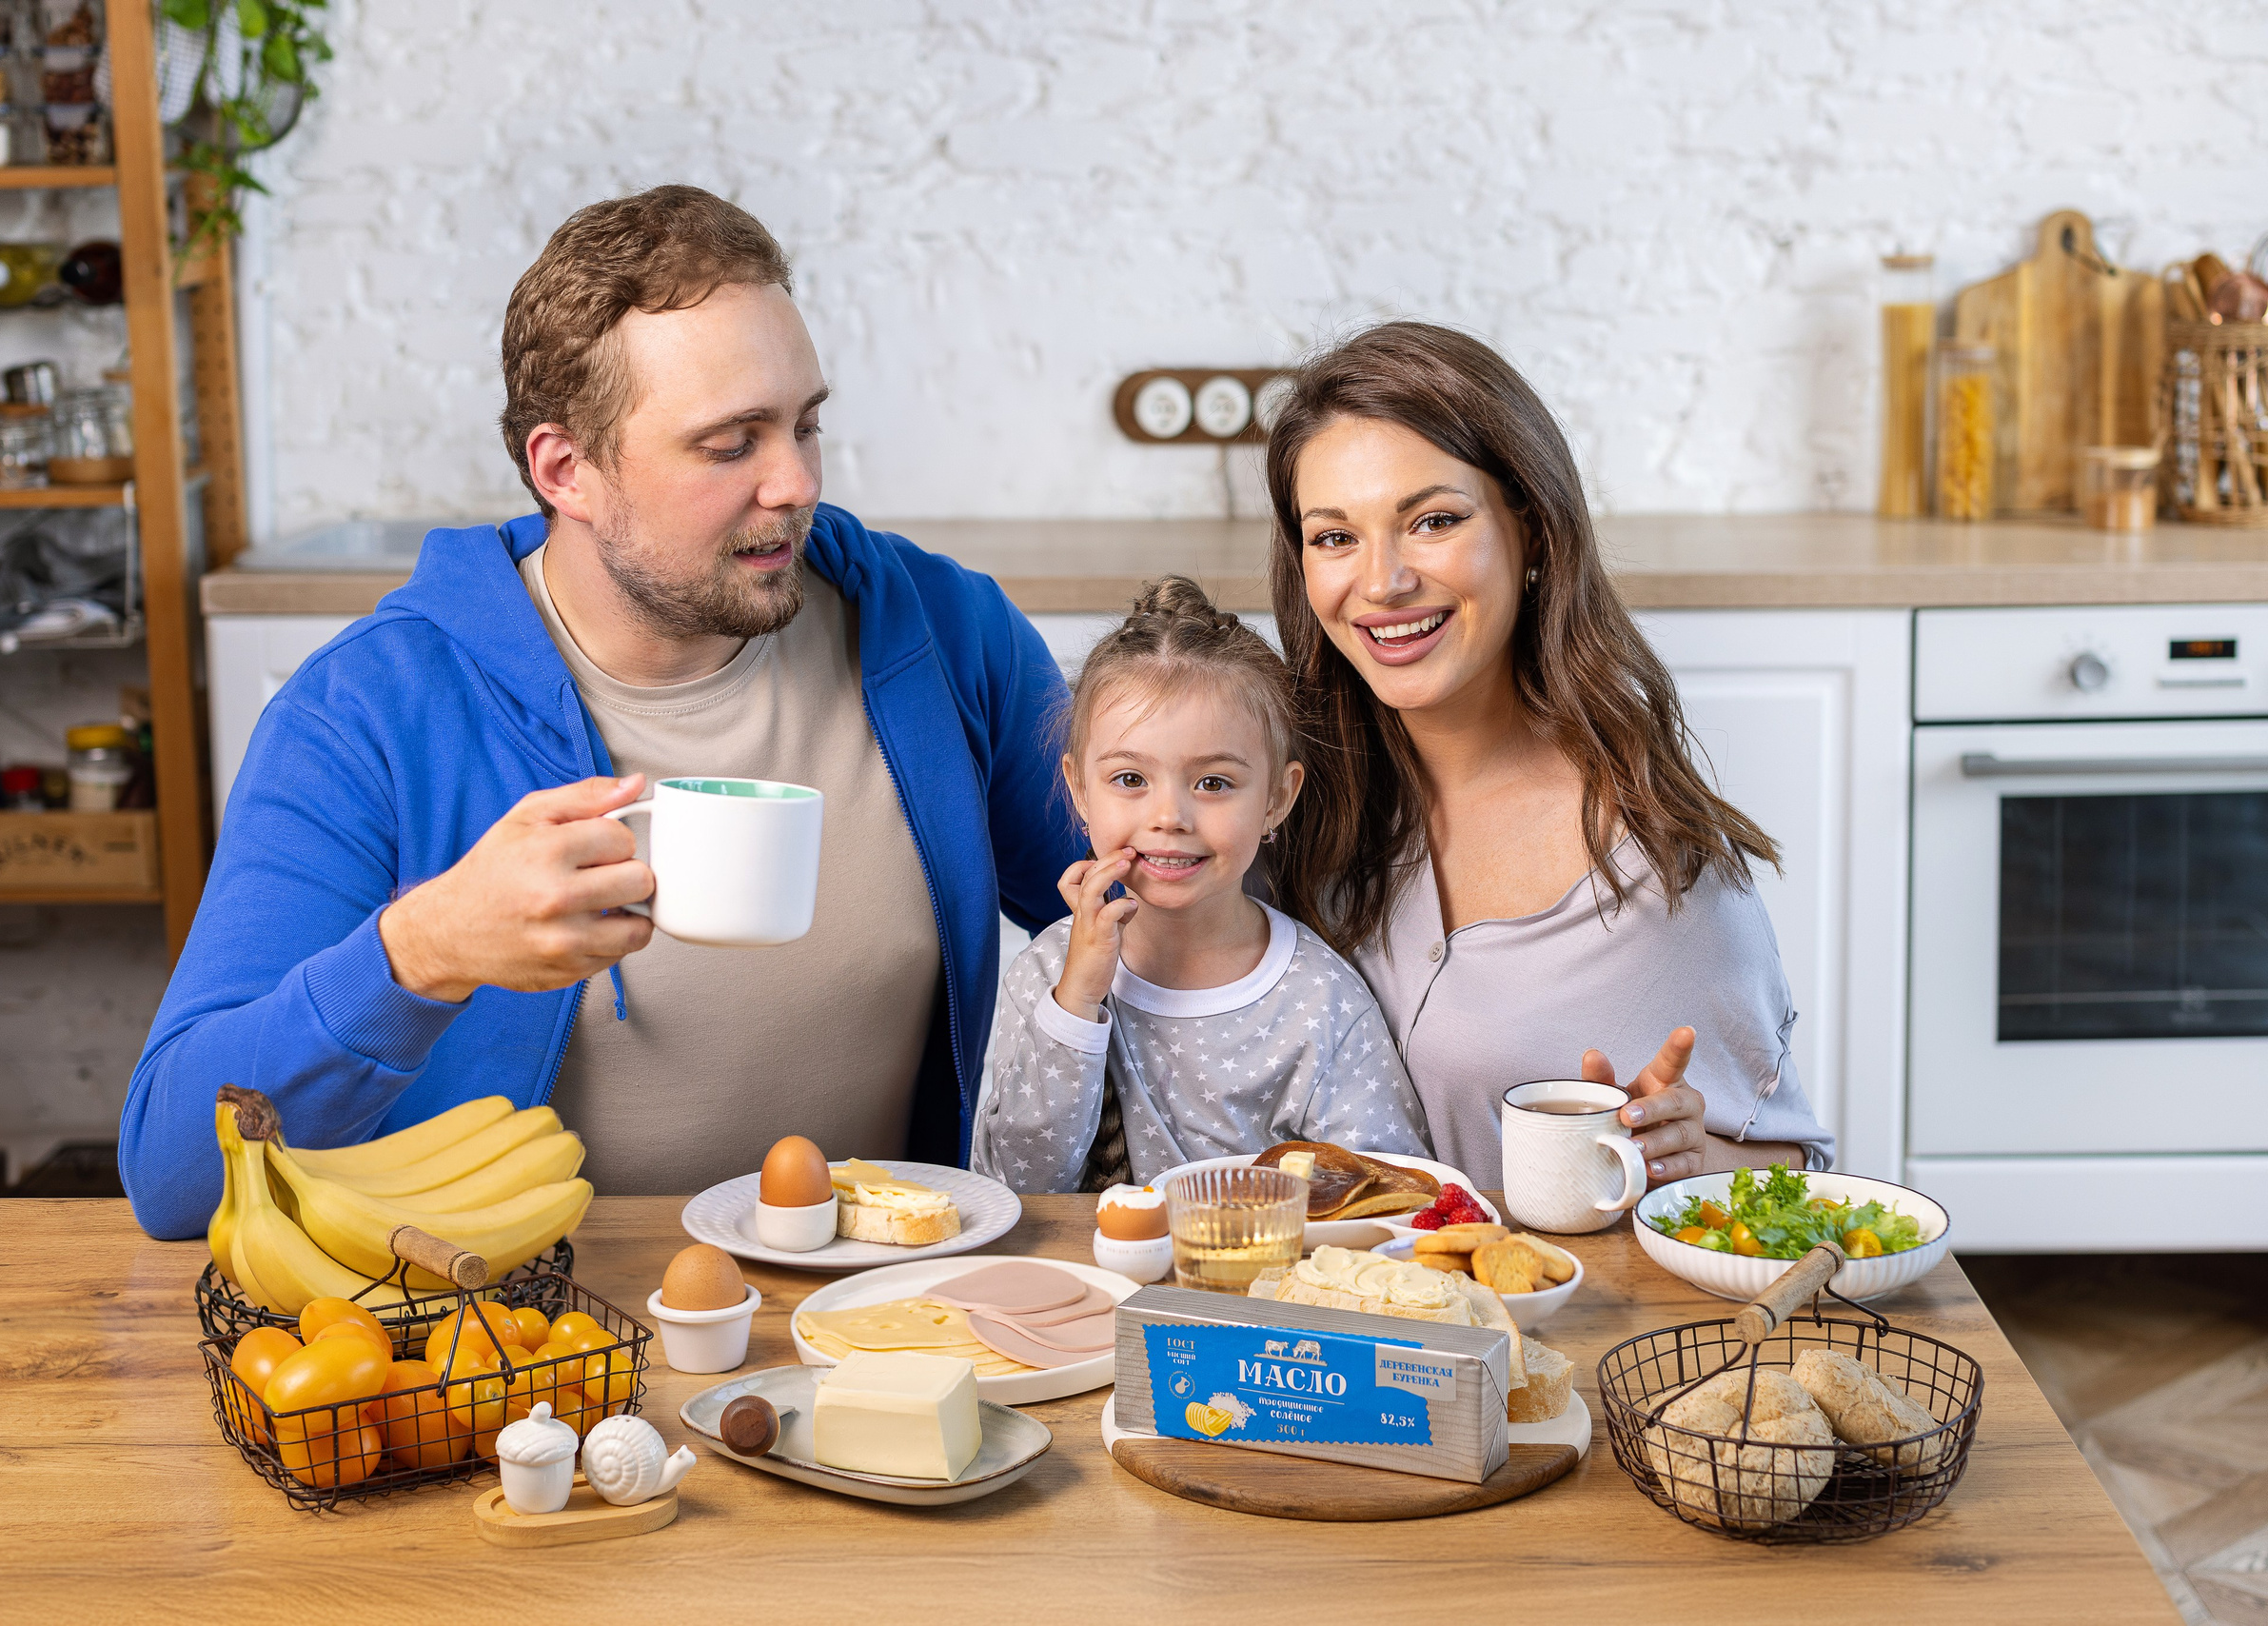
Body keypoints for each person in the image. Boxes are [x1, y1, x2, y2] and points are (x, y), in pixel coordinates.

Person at [118, 187, 1082, 1239]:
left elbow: (1149, 905)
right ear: (565, 469)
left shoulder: (942, 631)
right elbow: (173, 1173)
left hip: (881, 1311)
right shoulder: (367, 714)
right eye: (730, 445)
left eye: (805, 425)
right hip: (532, 1340)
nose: (796, 482)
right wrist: (422, 952)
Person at [1263, 322, 1834, 1188]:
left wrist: (1694, 1158)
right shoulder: (1290, 794)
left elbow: (1804, 1178)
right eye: (1335, 537)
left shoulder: (1645, 867)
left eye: (1434, 521)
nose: (1379, 584)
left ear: (1531, 530)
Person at [972, 577, 1430, 1194]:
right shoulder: (1045, 977)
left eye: (1213, 783)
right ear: (1080, 790)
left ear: (1277, 798)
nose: (1170, 817)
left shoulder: (1320, 1004)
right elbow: (1018, 1193)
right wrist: (1076, 1005)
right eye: (1131, 778)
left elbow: (1386, 1206)